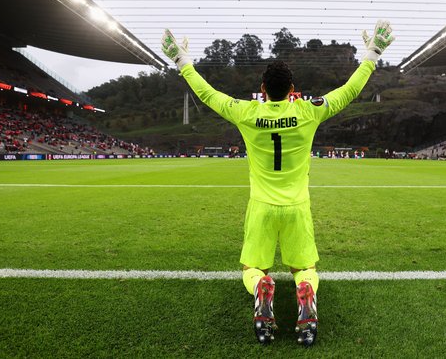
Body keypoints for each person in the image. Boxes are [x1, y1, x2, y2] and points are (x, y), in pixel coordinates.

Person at [161, 20, 394, 347]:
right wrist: (371, 54)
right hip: (297, 207)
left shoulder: (246, 112)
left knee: (252, 266)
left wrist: (182, 61)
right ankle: (306, 289)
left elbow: (207, 93)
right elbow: (349, 91)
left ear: (263, 87)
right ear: (293, 89)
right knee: (305, 266)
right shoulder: (308, 112)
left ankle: (260, 286)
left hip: (262, 207)